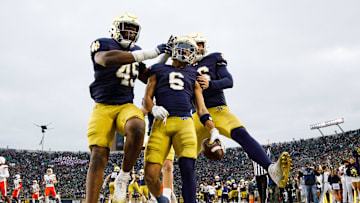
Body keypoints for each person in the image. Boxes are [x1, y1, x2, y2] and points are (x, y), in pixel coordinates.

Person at [187, 32, 292, 189]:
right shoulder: (183, 67)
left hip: (218, 109)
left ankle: (271, 169)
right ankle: (176, 194)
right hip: (196, 115)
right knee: (185, 156)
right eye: (196, 45)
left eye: (201, 44)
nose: (199, 48)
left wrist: (211, 84)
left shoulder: (214, 58)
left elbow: (229, 81)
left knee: (241, 133)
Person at [86, 11, 170, 203]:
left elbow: (147, 77)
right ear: (116, 29)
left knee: (138, 126)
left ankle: (124, 177)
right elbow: (106, 59)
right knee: (98, 156)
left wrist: (163, 58)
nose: (131, 33)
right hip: (103, 107)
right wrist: (149, 52)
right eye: (127, 29)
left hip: (125, 105)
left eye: (134, 30)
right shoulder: (104, 43)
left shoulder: (136, 51)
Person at [142, 36, 224, 203]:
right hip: (161, 124)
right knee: (150, 175)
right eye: (183, 47)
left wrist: (213, 129)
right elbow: (147, 98)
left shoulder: (194, 74)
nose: (185, 51)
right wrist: (153, 108)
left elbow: (201, 108)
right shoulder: (159, 69)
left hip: (185, 123)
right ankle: (162, 200)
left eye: (189, 49)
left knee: (188, 169)